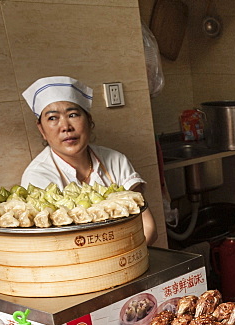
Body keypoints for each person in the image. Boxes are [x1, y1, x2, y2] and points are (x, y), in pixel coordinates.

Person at [20, 76, 156, 245]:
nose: (66, 127)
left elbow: (147, 225)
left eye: (73, 114)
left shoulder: (116, 161)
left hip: (130, 257)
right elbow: (51, 245)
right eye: (53, 118)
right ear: (41, 129)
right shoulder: (37, 177)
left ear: (89, 120)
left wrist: (126, 260)